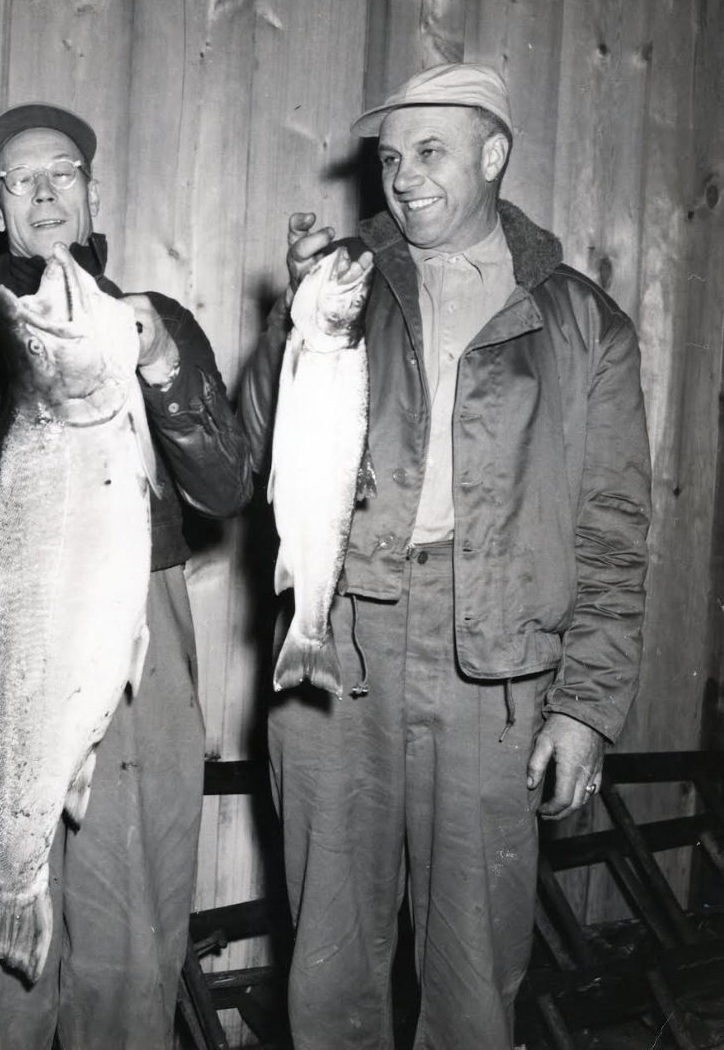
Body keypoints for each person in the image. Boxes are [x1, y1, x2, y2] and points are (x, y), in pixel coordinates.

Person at [239, 63, 651, 1050]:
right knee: (330, 954)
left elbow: (613, 525)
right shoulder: (349, 289)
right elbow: (256, 450)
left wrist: (588, 705)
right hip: (338, 644)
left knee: (474, 972)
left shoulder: (581, 320)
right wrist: (291, 328)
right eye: (389, 158)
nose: (403, 177)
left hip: (497, 666)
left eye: (429, 153)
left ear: (493, 154)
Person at [0, 101, 253, 1050]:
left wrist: (157, 362)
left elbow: (223, 487)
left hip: (125, 631)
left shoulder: (158, 322)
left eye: (65, 171)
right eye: (24, 180)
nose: (49, 191)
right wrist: (43, 393)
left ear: (93, 191)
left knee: (130, 939)